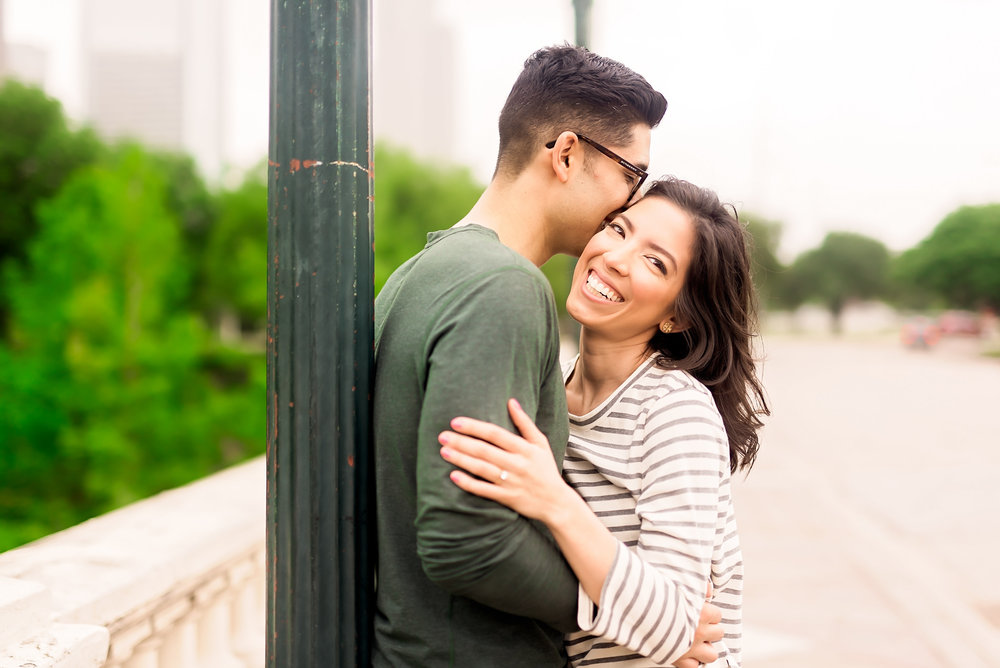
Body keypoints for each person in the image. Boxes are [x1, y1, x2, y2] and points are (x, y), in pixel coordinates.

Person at [372, 45, 722, 667]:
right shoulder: (504, 287)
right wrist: (614, 620)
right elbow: (464, 538)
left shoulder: (415, 275)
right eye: (631, 177)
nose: (626, 204)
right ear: (566, 154)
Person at [437, 177, 770, 667]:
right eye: (618, 229)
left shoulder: (675, 409)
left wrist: (554, 500)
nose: (616, 257)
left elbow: (677, 623)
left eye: (655, 262)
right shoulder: (545, 387)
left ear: (676, 316)